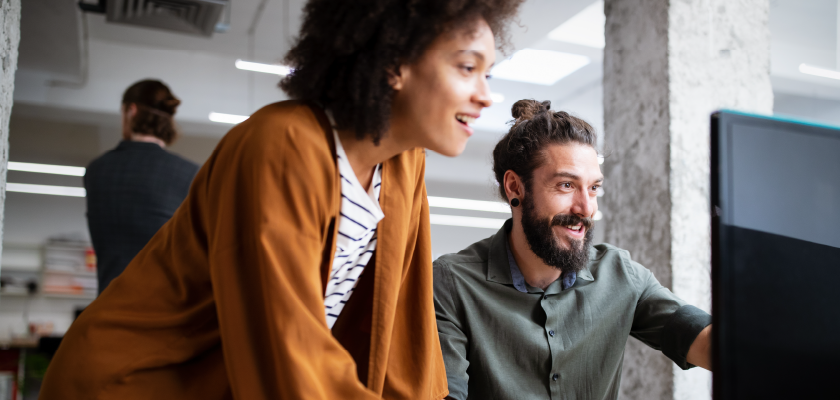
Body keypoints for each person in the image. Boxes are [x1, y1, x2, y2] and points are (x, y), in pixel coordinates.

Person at [40, 0, 524, 399]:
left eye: (488, 74)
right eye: (467, 68)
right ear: (394, 62)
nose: (486, 96)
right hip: (135, 382)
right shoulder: (281, 145)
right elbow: (286, 341)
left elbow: (401, 328)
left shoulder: (403, 164)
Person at [433, 100, 712, 400]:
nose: (586, 208)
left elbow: (709, 343)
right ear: (515, 187)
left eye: (593, 188)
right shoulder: (451, 284)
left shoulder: (620, 274)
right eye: (566, 185)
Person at [85, 79, 199, 294]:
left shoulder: (96, 170)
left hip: (108, 303)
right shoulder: (190, 174)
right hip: (164, 304)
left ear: (131, 111)